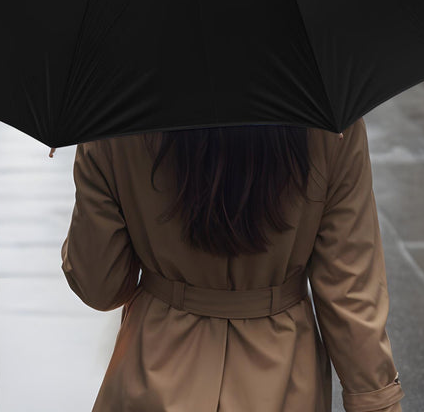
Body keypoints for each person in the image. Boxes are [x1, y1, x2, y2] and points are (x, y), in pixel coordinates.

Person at [62, 118, 404, 412]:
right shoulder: (331, 124)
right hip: (284, 378)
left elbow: (100, 286)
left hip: (153, 366)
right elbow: (350, 292)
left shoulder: (116, 115)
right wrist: (378, 401)